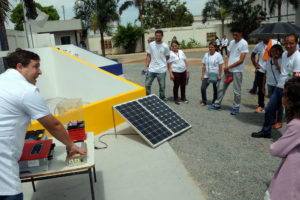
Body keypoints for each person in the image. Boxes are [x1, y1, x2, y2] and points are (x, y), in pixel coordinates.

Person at [0, 49, 87, 200]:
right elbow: (54, 125)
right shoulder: (26, 91)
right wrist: (71, 145)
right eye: (36, 66)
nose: (40, 72)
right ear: (20, 67)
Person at [252, 34, 300, 138]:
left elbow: (296, 78)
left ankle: (291, 139)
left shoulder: (297, 57)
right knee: (269, 108)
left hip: (290, 91)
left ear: (296, 43)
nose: (288, 45)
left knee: (290, 115)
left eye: (291, 43)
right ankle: (266, 131)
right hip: (279, 87)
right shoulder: (284, 54)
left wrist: (287, 92)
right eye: (286, 43)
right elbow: (282, 68)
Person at [264, 77, 300, 200]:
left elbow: (276, 150)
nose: (282, 98)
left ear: (293, 100)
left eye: (285, 95)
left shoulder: (296, 125)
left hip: (292, 172)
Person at [208, 27, 249, 115]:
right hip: (228, 70)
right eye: (233, 35)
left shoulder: (244, 43)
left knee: (236, 90)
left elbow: (241, 60)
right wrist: (226, 67)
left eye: (236, 35)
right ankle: (217, 104)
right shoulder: (232, 42)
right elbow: (228, 56)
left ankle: (236, 107)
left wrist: (229, 66)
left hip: (237, 70)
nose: (234, 36)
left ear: (240, 34)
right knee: (221, 86)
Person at [251, 39, 279, 113]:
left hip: (272, 70)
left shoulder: (275, 43)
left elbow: (280, 54)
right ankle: (261, 105)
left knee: (274, 89)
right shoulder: (259, 45)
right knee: (261, 88)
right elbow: (253, 55)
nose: (265, 37)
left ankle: (275, 107)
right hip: (261, 70)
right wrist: (255, 64)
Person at [144, 30, 170, 100]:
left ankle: (162, 98)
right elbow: (148, 56)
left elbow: (167, 57)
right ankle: (148, 98)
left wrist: (163, 63)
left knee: (162, 86)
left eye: (159, 36)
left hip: (161, 70)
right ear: (155, 36)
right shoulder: (151, 45)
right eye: (156, 35)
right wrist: (146, 66)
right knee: (147, 85)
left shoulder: (165, 46)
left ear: (162, 36)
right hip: (151, 69)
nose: (157, 37)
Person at [263, 44, 284, 129]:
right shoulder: (268, 60)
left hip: (278, 85)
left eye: (276, 51)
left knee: (279, 104)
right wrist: (262, 85)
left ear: (280, 51)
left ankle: (279, 121)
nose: (273, 52)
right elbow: (266, 73)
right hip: (270, 84)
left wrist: (276, 64)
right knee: (272, 103)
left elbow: (283, 73)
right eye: (272, 51)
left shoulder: (282, 60)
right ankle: (274, 119)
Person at [199, 42, 223, 106]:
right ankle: (204, 101)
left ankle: (214, 101)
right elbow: (203, 66)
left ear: (215, 47)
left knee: (215, 89)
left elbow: (220, 66)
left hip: (215, 74)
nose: (210, 48)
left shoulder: (218, 55)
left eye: (212, 47)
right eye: (209, 47)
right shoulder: (206, 55)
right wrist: (202, 75)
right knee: (203, 88)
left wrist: (220, 75)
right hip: (207, 74)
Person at [167, 40, 189, 105]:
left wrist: (187, 69)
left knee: (183, 85)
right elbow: (169, 65)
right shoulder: (170, 53)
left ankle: (183, 98)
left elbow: (185, 60)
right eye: (173, 46)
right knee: (176, 85)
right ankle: (176, 99)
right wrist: (171, 74)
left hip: (183, 71)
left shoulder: (181, 52)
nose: (174, 47)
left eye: (176, 45)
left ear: (178, 45)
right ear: (171, 47)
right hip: (175, 71)